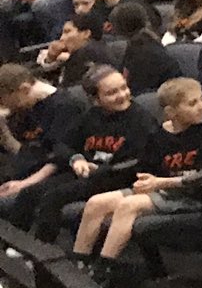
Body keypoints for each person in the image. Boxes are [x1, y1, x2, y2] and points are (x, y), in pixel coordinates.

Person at [66, 76, 202, 287]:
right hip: (162, 191)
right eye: (192, 103)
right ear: (171, 112)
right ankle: (79, 266)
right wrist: (144, 181)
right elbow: (145, 167)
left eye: (201, 100)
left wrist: (159, 183)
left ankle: (103, 271)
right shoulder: (158, 135)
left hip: (195, 196)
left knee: (129, 205)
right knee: (96, 203)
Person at [1, 66, 154, 242]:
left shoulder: (140, 119)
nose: (122, 95)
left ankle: (42, 248)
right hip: (84, 174)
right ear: (95, 99)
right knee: (31, 192)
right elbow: (63, 146)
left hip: (115, 176)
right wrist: (76, 159)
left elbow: (137, 160)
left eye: (124, 88)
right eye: (112, 93)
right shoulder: (91, 116)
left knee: (53, 197)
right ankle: (13, 245)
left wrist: (100, 170)